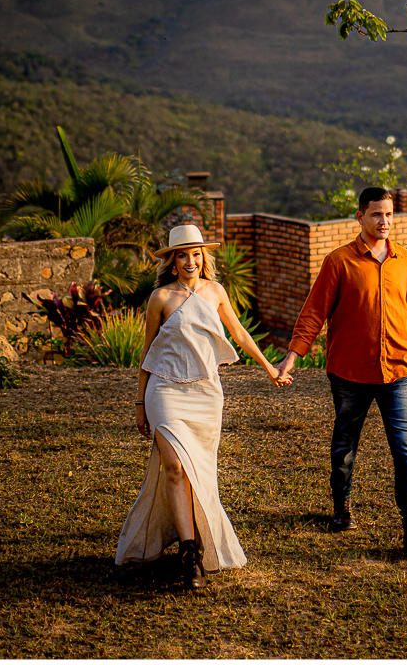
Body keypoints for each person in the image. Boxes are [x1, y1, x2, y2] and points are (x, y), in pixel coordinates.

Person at [116, 224, 292, 588]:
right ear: (173, 261)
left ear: (203, 257)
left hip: (206, 394)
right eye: (183, 255)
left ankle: (191, 544)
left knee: (199, 473)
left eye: (196, 254)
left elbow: (240, 333)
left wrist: (270, 369)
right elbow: (146, 352)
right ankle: (189, 554)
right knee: (176, 467)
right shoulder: (160, 298)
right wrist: (138, 403)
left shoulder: (216, 291)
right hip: (164, 390)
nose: (191, 260)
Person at [277, 186, 407, 558]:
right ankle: (342, 508)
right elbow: (314, 311)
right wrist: (293, 354)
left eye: (389, 215)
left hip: (399, 369)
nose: (384, 221)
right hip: (349, 371)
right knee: (345, 441)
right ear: (360, 217)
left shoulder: (406, 260)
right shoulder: (339, 261)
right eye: (376, 215)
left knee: (406, 447)